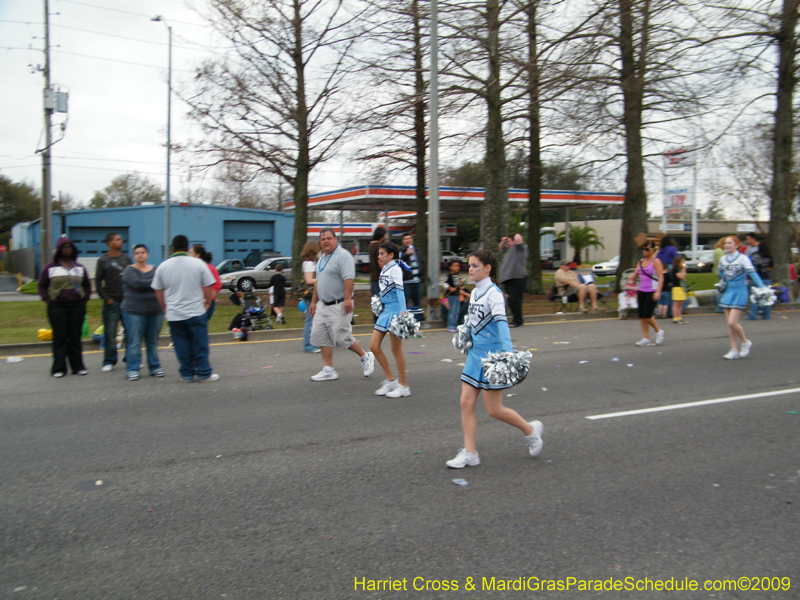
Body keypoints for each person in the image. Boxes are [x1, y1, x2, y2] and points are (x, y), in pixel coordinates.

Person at [446, 250, 543, 469]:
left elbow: (501, 323)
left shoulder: (493, 293)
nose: (470, 269)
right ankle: (470, 452)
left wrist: (507, 352)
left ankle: (530, 430)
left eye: (475, 265)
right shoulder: (475, 293)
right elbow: (474, 322)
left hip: (492, 357)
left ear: (487, 268)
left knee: (494, 409)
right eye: (469, 265)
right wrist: (465, 336)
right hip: (475, 355)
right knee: (466, 402)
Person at [308, 228, 375, 381]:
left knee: (341, 337)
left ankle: (365, 356)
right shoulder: (322, 259)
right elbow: (318, 282)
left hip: (339, 304)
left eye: (329, 238)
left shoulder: (343, 256)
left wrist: (347, 299)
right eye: (323, 239)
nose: (326, 241)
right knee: (320, 335)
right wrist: (313, 301)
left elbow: (348, 279)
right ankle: (328, 369)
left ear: (335, 239)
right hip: (322, 305)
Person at [151, 234, 219, 382]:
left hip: (174, 313)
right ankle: (203, 372)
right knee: (200, 343)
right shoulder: (198, 263)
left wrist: (164, 307)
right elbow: (209, 284)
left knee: (181, 344)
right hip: (195, 310)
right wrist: (207, 302)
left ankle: (187, 373)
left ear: (172, 248)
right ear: (188, 248)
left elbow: (157, 289)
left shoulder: (163, 266)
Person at [37, 237, 92, 377]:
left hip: (77, 307)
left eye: (69, 247)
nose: (67, 250)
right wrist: (48, 300)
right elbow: (41, 285)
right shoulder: (50, 268)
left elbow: (87, 284)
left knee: (75, 337)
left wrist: (84, 299)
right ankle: (59, 368)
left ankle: (78, 367)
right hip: (57, 307)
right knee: (60, 338)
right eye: (64, 247)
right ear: (59, 250)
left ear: (73, 250)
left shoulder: (79, 268)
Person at [369, 242, 411, 398]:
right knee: (373, 346)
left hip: (395, 312)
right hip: (385, 311)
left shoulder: (396, 269)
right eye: (379, 254)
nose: (379, 256)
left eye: (382, 254)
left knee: (396, 349)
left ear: (391, 255)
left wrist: (403, 312)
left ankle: (404, 386)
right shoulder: (386, 269)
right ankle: (391, 379)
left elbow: (400, 291)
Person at [120, 244, 164, 380]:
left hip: (155, 310)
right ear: (134, 256)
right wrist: (153, 283)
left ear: (147, 254)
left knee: (152, 341)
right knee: (135, 341)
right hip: (134, 311)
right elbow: (136, 284)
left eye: (143, 252)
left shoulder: (156, 269)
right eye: (137, 253)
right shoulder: (129, 270)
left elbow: (162, 283)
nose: (140, 255)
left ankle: (155, 367)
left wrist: (149, 283)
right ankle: (133, 369)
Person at [718, 236, 765, 359]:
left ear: (737, 245)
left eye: (730, 243)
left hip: (740, 291)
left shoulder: (743, 258)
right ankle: (733, 349)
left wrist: (762, 287)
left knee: (732, 322)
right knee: (729, 324)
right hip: (728, 291)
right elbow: (721, 273)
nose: (727, 245)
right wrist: (722, 282)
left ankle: (745, 342)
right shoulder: (723, 259)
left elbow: (752, 273)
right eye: (725, 243)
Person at [95, 232, 132, 372]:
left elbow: (131, 278)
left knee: (130, 332)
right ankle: (109, 360)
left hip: (127, 302)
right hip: (112, 302)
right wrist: (107, 299)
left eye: (121, 239)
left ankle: (130, 358)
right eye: (117, 240)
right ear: (110, 243)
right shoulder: (103, 260)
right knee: (110, 333)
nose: (120, 241)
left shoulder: (126, 259)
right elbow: (98, 283)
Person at [626, 240, 665, 346]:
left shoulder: (656, 261)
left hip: (652, 291)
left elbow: (661, 278)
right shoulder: (641, 262)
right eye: (643, 249)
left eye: (647, 249)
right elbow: (635, 275)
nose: (644, 251)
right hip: (642, 291)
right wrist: (631, 279)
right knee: (642, 315)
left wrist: (658, 291)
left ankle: (658, 331)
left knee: (647, 314)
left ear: (652, 250)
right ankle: (645, 337)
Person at [498, 233, 528, 327]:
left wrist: (515, 236)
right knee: (511, 301)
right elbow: (500, 248)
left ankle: (518, 321)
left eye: (510, 241)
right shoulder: (509, 250)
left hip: (517, 278)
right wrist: (503, 241)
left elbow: (519, 238)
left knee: (516, 300)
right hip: (508, 278)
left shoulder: (520, 248)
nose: (508, 243)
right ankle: (515, 319)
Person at [189, 244, 222, 322]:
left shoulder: (209, 268)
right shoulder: (190, 268)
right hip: (193, 302)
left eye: (191, 253)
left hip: (205, 303)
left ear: (197, 255)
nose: (189, 255)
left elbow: (217, 286)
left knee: (199, 325)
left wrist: (207, 300)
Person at [300, 241, 321, 353]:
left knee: (313, 319)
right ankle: (308, 345)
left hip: (312, 295)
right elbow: (309, 280)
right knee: (310, 319)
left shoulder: (310, 263)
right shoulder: (309, 264)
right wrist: (320, 280)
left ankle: (313, 343)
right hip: (310, 295)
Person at [399, 233, 425, 318]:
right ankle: (403, 321)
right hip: (406, 282)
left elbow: (423, 263)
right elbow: (398, 263)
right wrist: (406, 254)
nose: (408, 240)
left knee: (417, 302)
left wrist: (422, 277)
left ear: (412, 240)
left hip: (417, 281)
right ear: (403, 241)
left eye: (409, 238)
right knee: (404, 303)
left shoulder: (417, 251)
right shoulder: (400, 251)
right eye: (405, 239)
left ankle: (418, 320)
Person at [746, 240, 773, 321]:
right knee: (766, 298)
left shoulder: (755, 255)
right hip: (766, 278)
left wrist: (749, 278)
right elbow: (770, 266)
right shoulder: (770, 257)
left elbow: (752, 268)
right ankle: (766, 314)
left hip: (756, 278)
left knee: (754, 298)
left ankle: (753, 315)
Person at [368, 226, 387, 323]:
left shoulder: (371, 245)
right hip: (380, 278)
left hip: (373, 277)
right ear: (382, 235)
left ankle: (376, 320)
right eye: (385, 235)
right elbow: (380, 261)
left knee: (375, 301)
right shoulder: (379, 246)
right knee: (382, 300)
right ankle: (381, 321)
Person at [655, 236, 677, 319]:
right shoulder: (672, 249)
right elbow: (676, 259)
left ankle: (660, 312)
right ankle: (670, 311)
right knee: (670, 291)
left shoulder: (660, 251)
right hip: (669, 269)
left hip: (660, 269)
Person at [443, 260, 465, 332]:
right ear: (450, 267)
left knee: (456, 311)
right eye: (455, 266)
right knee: (452, 311)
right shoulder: (449, 275)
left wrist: (462, 284)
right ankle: (451, 326)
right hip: (451, 296)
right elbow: (445, 284)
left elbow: (459, 284)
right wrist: (450, 288)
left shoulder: (458, 275)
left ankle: (455, 325)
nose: (457, 268)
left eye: (458, 266)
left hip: (457, 295)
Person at [671, 255, 687, 324]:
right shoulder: (675, 269)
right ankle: (675, 318)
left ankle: (679, 317)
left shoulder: (679, 269)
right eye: (682, 262)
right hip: (677, 288)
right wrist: (684, 269)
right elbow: (681, 277)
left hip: (681, 287)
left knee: (680, 303)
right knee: (676, 303)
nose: (683, 264)